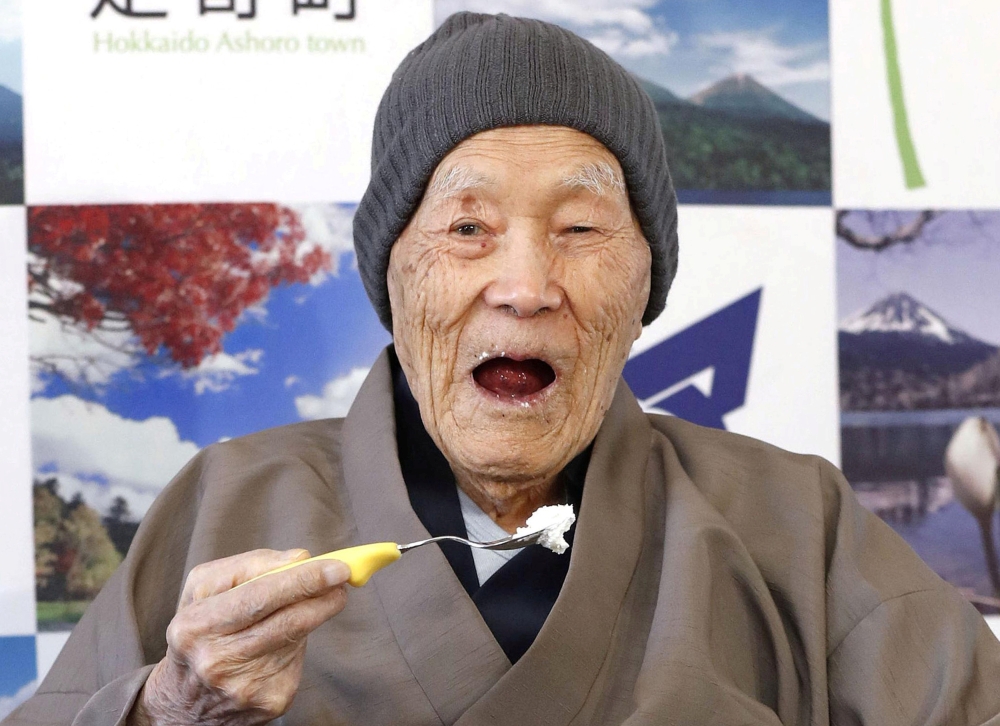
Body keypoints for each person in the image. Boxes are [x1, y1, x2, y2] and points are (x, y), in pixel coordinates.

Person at [7, 11, 1000, 726]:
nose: (525, 285)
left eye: (578, 228)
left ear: (645, 281)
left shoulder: (795, 523)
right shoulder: (225, 499)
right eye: (468, 228)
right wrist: (165, 709)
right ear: (392, 274)